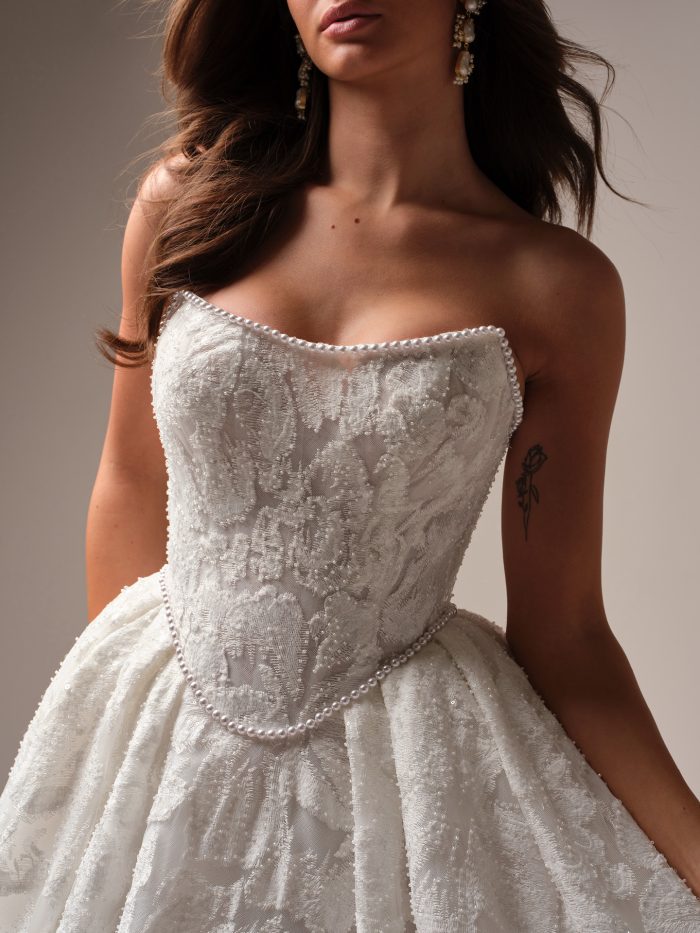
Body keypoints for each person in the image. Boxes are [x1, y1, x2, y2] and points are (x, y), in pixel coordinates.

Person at [1, 0, 699, 929]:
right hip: (166, 735)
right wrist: (125, 764)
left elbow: (565, 633)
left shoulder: (556, 286)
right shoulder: (185, 206)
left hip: (411, 777)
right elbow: (131, 486)